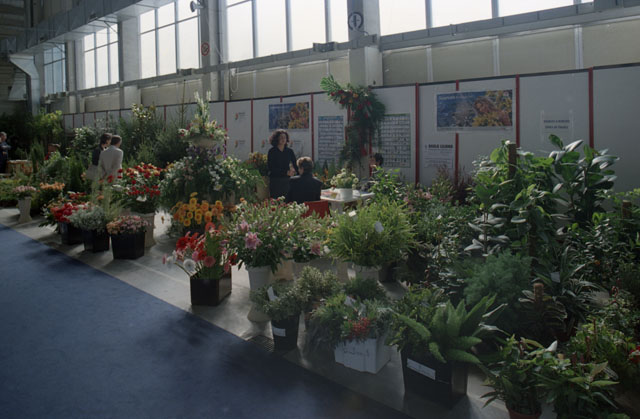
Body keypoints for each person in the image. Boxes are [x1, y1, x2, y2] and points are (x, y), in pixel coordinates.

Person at [267, 129, 297, 199]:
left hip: (286, 180)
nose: (283, 139)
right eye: (281, 137)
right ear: (276, 139)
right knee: (276, 201)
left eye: (284, 137)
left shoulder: (289, 151)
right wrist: (285, 172)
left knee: (287, 200)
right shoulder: (272, 151)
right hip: (275, 180)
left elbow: (295, 164)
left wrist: (296, 173)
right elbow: (271, 167)